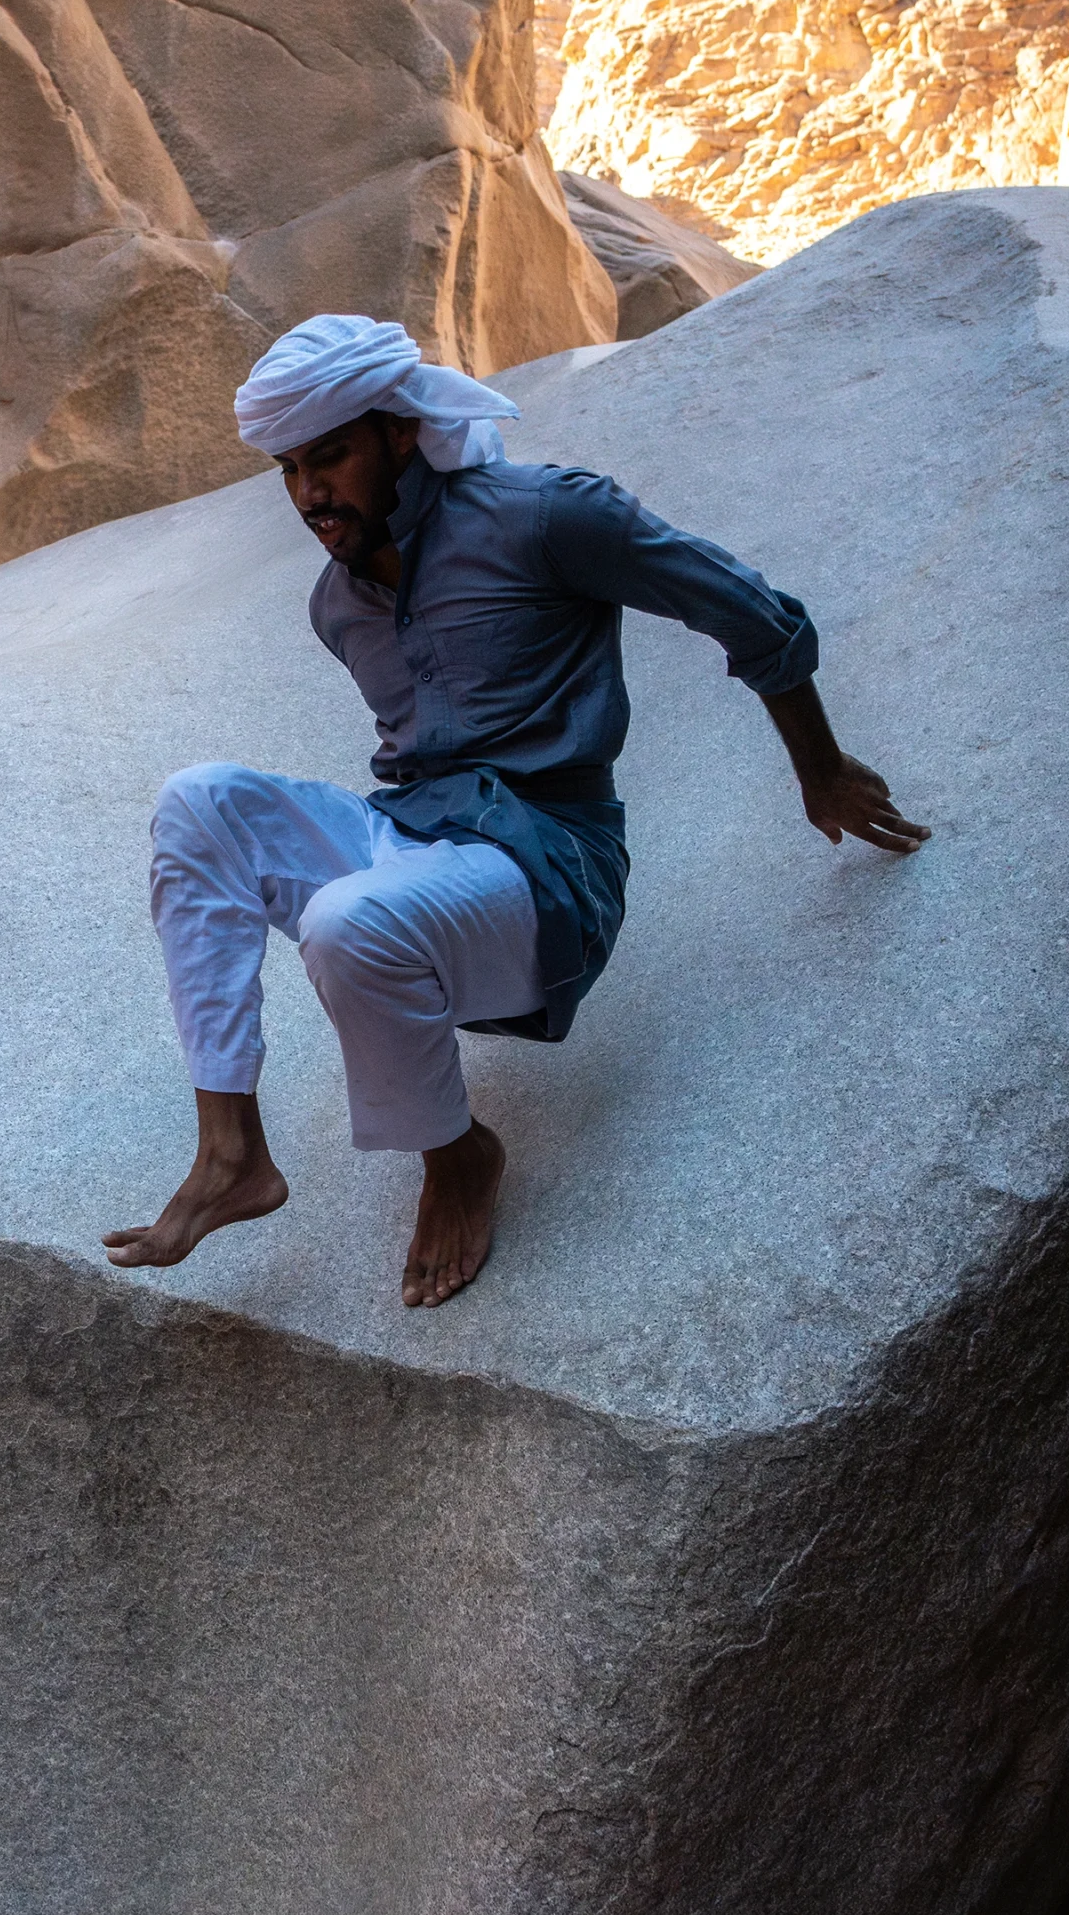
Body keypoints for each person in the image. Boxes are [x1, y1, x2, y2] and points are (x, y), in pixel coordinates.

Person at [103, 314, 930, 1309]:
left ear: (401, 432)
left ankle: (458, 1156)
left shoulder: (544, 514)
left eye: (330, 457)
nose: (310, 493)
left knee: (346, 923)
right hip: (414, 838)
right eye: (289, 469)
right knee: (199, 801)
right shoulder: (339, 603)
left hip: (549, 864)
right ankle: (231, 1150)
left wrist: (821, 766)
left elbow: (746, 607)